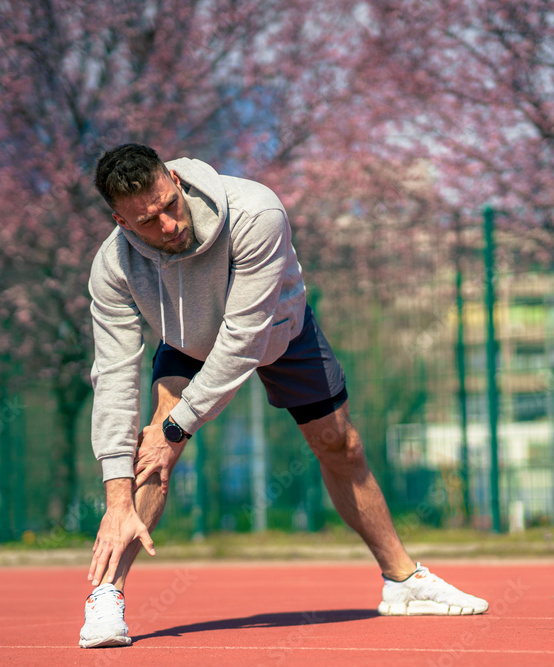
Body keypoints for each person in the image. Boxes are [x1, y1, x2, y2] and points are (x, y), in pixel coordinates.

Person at [80, 143, 488, 648]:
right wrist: (118, 493)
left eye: (169, 204)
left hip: (277, 329)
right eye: (146, 220)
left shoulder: (255, 212)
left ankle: (404, 581)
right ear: (120, 221)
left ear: (177, 181)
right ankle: (105, 597)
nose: (167, 225)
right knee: (150, 460)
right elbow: (115, 375)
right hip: (186, 341)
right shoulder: (112, 266)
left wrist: (173, 427)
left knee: (341, 445)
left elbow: (242, 342)